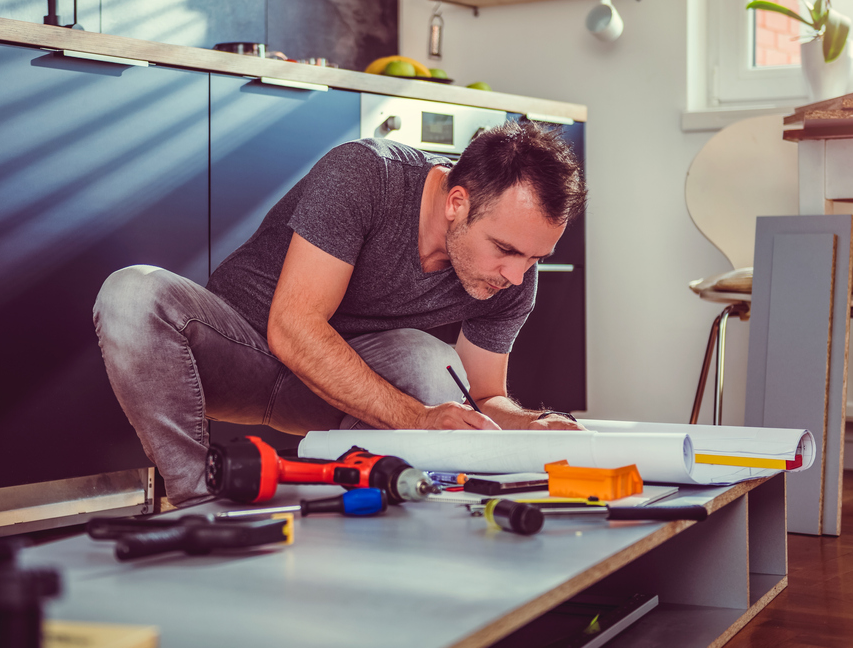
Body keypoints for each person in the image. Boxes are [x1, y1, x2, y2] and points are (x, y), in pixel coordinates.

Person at [93, 119, 587, 505]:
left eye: (533, 258)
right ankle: (195, 497)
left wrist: (530, 424)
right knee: (132, 292)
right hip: (240, 354)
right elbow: (292, 329)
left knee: (430, 362)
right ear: (457, 203)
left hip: (340, 396)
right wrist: (417, 419)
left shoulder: (513, 271)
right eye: (505, 249)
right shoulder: (365, 174)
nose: (518, 276)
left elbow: (483, 394)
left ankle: (374, 505)